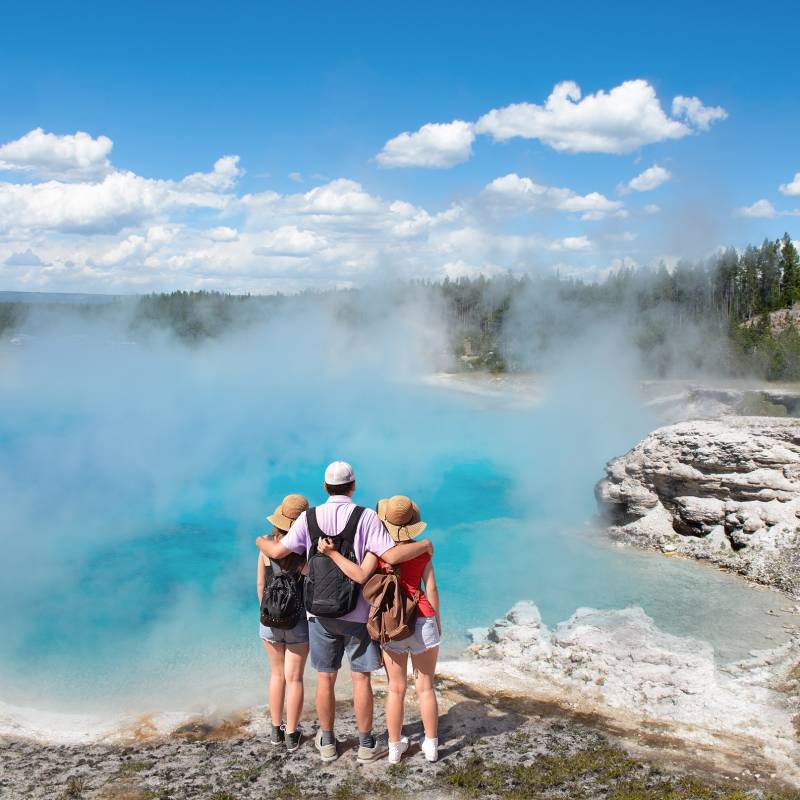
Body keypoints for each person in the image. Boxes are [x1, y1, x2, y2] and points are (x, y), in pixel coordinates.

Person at [256, 461, 433, 764]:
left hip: (318, 614)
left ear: (325, 488)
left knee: (325, 678)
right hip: (358, 613)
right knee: (360, 679)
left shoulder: (309, 518)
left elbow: (277, 553)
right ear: (353, 486)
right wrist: (426, 546)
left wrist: (260, 541)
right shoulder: (366, 517)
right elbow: (390, 555)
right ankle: (366, 744)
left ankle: (327, 741)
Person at [318, 495, 440, 764]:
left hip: (391, 623)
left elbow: (360, 577)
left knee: (395, 689)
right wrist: (437, 622)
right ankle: (431, 745)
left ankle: (395, 748)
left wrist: (331, 553)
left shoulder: (376, 552)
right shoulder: (422, 550)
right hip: (423, 619)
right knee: (425, 687)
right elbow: (430, 588)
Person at [257, 493, 310, 752]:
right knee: (295, 678)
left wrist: (269, 612)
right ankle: (292, 735)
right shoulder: (304, 553)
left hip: (269, 621)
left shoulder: (266, 548)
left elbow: (260, 585)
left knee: (277, 675)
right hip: (298, 622)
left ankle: (275, 731)